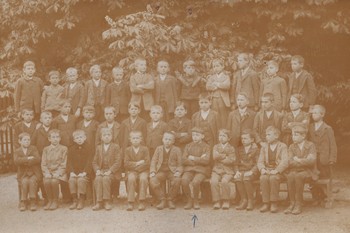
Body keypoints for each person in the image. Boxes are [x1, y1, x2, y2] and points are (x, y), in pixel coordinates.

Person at [285, 124, 318, 215]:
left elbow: (311, 161)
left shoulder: (310, 145)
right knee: (290, 176)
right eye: (292, 135)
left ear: (303, 136)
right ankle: (292, 203)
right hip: (295, 170)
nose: (293, 137)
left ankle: (298, 203)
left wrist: (298, 160)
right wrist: (303, 160)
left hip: (308, 171)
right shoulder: (292, 146)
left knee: (298, 176)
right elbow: (290, 161)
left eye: (295, 135)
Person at [309, 105, 337, 205]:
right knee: (313, 178)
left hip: (324, 158)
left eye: (316, 113)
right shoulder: (310, 127)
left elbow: (333, 145)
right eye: (312, 113)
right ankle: (316, 197)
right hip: (313, 158)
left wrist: (332, 158)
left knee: (324, 177)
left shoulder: (327, 128)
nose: (313, 115)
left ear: (322, 114)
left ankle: (327, 197)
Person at [257, 126, 288, 213]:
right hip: (267, 169)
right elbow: (260, 161)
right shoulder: (264, 147)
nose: (266, 136)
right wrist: (262, 169)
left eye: (269, 134)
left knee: (273, 178)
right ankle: (266, 202)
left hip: (278, 171)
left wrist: (277, 170)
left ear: (276, 136)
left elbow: (285, 161)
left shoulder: (283, 146)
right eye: (266, 135)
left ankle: (274, 202)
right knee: (263, 178)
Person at [149, 132, 182, 210]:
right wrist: (152, 171)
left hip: (172, 171)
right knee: (153, 180)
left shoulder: (177, 149)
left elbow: (180, 164)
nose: (167, 141)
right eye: (166, 139)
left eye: (170, 139)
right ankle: (162, 199)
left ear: (173, 141)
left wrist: (178, 171)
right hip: (161, 171)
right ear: (162, 140)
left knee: (177, 180)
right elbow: (154, 161)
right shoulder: (158, 149)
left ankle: (170, 199)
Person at [92, 128, 122, 211]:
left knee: (106, 179)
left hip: (112, 172)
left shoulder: (116, 147)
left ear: (112, 137)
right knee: (98, 178)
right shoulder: (98, 147)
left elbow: (118, 162)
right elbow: (94, 162)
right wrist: (97, 170)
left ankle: (106, 201)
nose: (106, 137)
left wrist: (110, 171)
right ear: (101, 137)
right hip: (101, 170)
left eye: (108, 135)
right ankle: (99, 202)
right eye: (104, 135)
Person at [181, 127, 211, 210]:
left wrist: (192, 158)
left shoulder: (206, 147)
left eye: (197, 135)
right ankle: (189, 200)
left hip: (202, 170)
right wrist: (199, 159)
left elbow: (206, 161)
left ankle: (196, 200)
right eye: (193, 135)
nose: (195, 137)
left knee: (196, 182)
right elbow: (183, 160)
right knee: (184, 180)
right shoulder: (188, 146)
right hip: (189, 169)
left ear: (202, 136)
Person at [14, 133, 42, 211]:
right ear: (19, 141)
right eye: (25, 140)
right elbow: (16, 161)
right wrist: (28, 158)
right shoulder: (17, 151)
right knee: (25, 182)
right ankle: (23, 201)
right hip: (23, 174)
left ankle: (33, 200)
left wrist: (23, 161)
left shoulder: (33, 148)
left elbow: (37, 159)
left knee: (32, 181)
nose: (27, 141)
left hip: (34, 172)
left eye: (28, 140)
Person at [41, 129, 68, 210]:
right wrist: (46, 173)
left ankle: (55, 201)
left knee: (54, 181)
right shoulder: (46, 149)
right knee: (46, 181)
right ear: (49, 139)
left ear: (60, 138)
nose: (55, 139)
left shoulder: (64, 148)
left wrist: (58, 173)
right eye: (53, 137)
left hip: (60, 172)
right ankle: (50, 200)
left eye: (57, 137)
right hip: (49, 172)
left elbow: (64, 163)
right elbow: (43, 163)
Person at [124, 131, 150, 211]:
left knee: (143, 179)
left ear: (141, 139)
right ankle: (130, 201)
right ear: (130, 140)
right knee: (131, 178)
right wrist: (137, 163)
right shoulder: (127, 150)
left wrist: (135, 167)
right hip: (132, 171)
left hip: (143, 171)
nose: (135, 140)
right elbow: (126, 163)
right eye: (133, 138)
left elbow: (147, 163)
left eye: (137, 138)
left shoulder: (145, 149)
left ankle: (142, 200)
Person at [67, 130, 93, 210]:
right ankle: (75, 200)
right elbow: (69, 162)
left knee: (81, 180)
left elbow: (90, 161)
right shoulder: (71, 149)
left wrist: (85, 172)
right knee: (72, 180)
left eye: (81, 137)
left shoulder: (89, 148)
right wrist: (71, 172)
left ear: (85, 138)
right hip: (74, 172)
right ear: (74, 140)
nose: (79, 139)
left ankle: (81, 199)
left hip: (85, 172)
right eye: (77, 138)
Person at [210, 129, 236, 210]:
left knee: (225, 181)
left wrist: (220, 156)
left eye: (224, 136)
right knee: (214, 181)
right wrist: (225, 156)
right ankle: (216, 201)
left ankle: (226, 200)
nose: (221, 138)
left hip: (228, 171)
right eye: (220, 136)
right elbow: (214, 157)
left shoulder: (231, 148)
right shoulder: (216, 147)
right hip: (216, 170)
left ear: (229, 138)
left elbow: (231, 160)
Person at [234, 129, 259, 211]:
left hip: (252, 171)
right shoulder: (239, 149)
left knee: (246, 179)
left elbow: (258, 163)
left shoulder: (256, 149)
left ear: (252, 140)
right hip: (241, 170)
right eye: (242, 139)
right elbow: (236, 163)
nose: (243, 140)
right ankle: (244, 199)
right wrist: (237, 171)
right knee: (238, 178)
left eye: (246, 138)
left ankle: (250, 200)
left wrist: (251, 171)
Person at [206, 58, 231, 124]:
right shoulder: (211, 77)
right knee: (214, 113)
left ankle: (223, 130)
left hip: (222, 98)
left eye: (217, 66)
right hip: (214, 98)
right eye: (214, 66)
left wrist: (217, 84)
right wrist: (215, 87)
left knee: (223, 114)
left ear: (222, 66)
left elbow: (227, 85)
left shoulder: (226, 76)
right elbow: (208, 86)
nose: (215, 68)